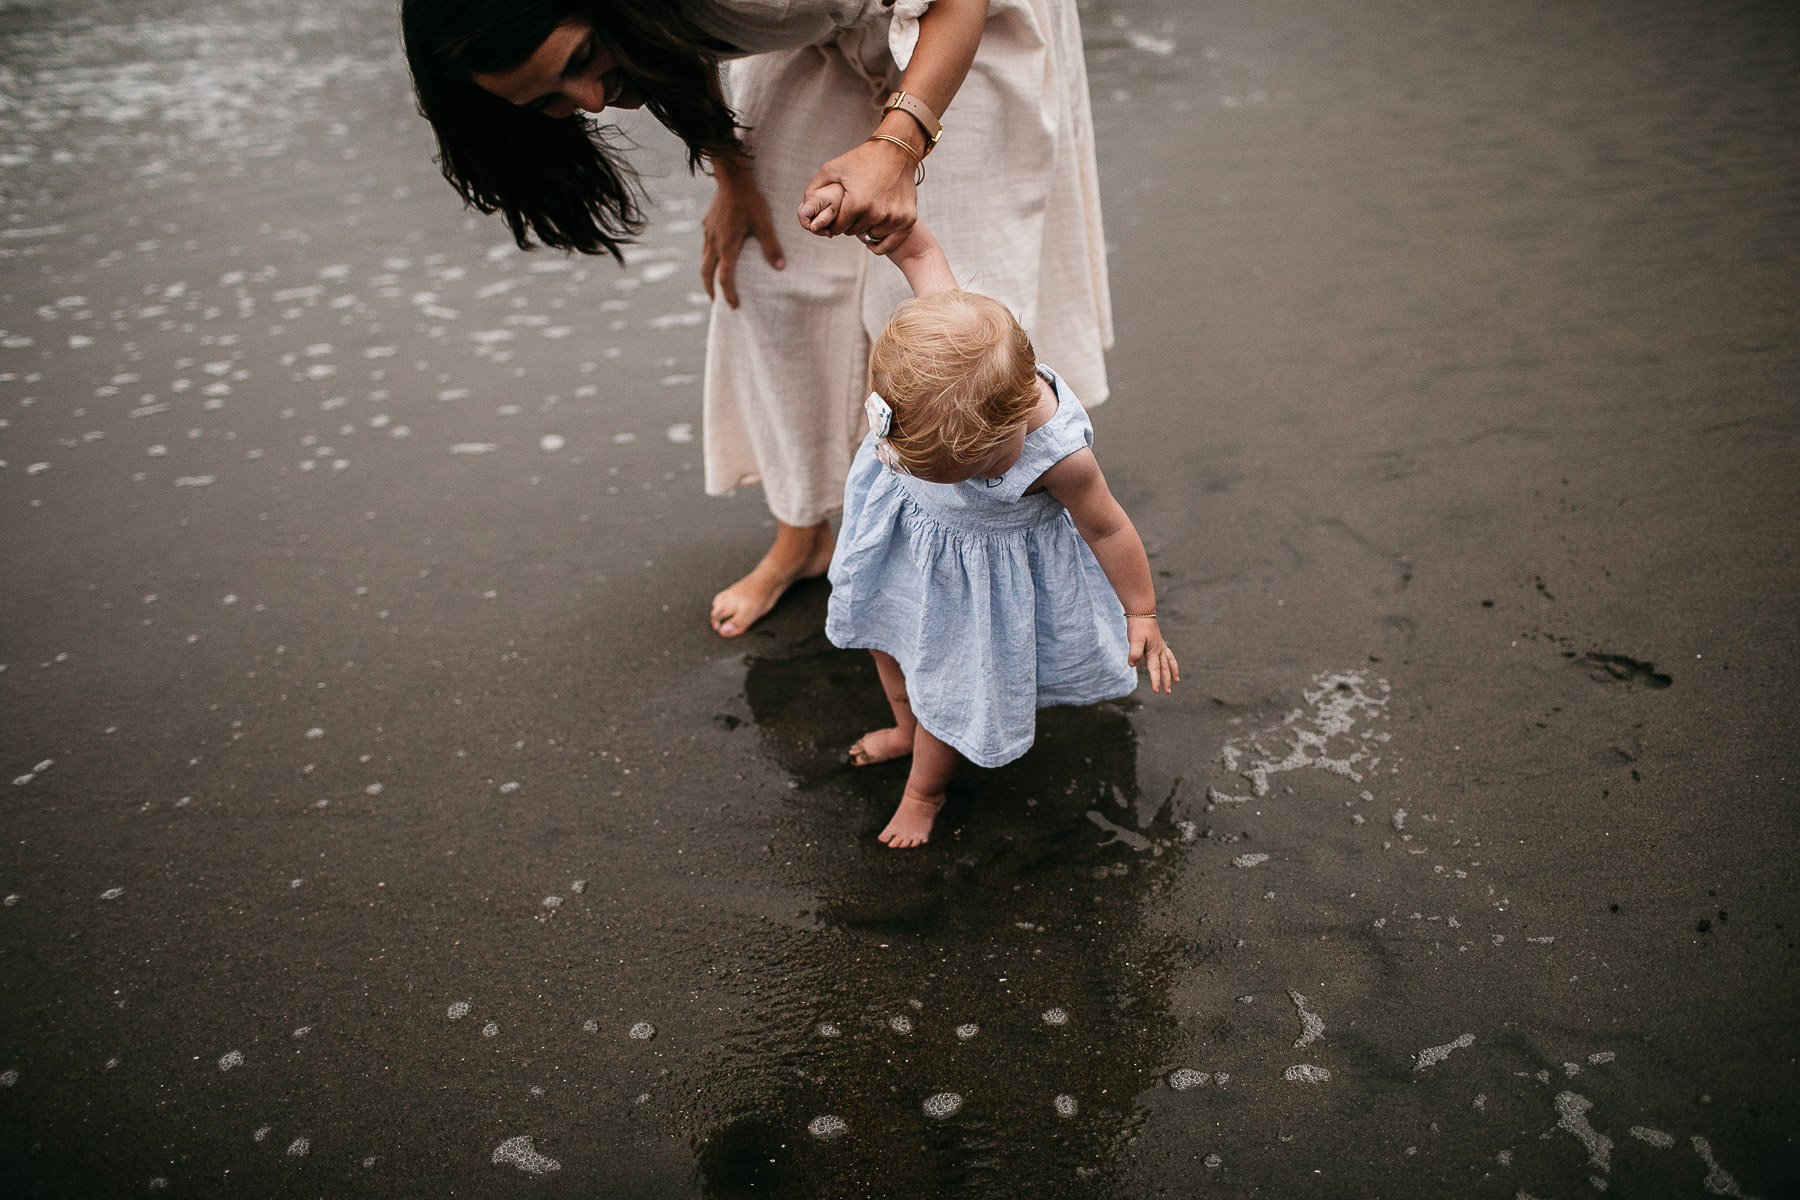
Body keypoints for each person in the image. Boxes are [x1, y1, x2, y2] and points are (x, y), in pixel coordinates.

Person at [401, 0, 1111, 637]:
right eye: (548, 103)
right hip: (820, 26)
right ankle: (804, 534)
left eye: (582, 60)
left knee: (949, 326)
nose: (589, 100)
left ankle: (1006, 559)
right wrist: (733, 175)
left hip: (957, 20)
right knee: (770, 280)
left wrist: (899, 142)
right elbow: (676, 37)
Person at [800, 197, 1176, 848]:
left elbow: (1108, 528)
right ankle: (901, 727)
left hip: (976, 581)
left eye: (964, 470)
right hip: (906, 545)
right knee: (886, 639)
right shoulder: (952, 334)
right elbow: (916, 249)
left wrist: (1140, 612)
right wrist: (885, 220)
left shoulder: (1060, 456)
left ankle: (926, 789)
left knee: (946, 680)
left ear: (1010, 428)